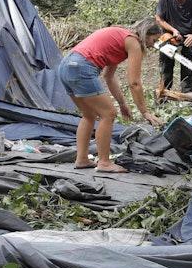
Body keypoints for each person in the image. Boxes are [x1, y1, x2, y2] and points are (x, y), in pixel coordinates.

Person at [59, 20, 165, 173]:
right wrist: (145, 112)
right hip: (82, 67)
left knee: (89, 115)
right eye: (153, 40)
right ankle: (104, 162)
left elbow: (109, 76)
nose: (152, 45)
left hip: (66, 66)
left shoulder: (121, 37)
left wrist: (122, 103)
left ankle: (81, 159)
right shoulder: (134, 42)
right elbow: (134, 83)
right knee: (108, 114)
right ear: (145, 34)